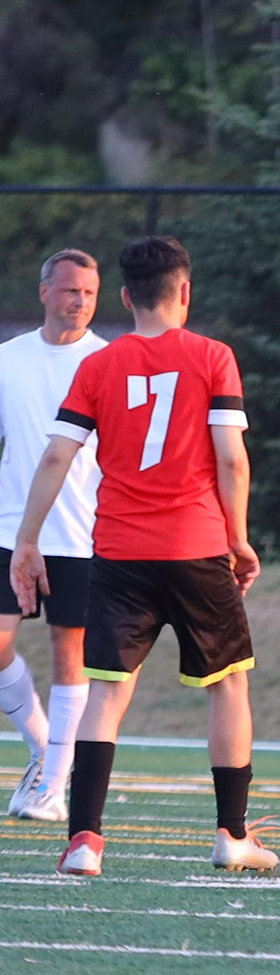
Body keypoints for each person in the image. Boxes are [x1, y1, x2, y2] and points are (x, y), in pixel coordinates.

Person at [10, 236, 267, 876]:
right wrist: (237, 536)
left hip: (119, 551)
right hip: (197, 546)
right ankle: (232, 834)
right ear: (184, 291)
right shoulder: (213, 356)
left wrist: (26, 539)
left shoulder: (97, 366)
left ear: (124, 297)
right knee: (229, 685)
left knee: (107, 693)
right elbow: (231, 457)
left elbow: (55, 457)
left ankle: (84, 842)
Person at [0, 250, 104, 823]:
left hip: (82, 535)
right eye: (68, 290)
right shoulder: (8, 359)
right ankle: (44, 749)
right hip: (10, 530)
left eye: (88, 293)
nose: (78, 302)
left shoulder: (109, 362)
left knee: (71, 654)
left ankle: (53, 784)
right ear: (44, 292)